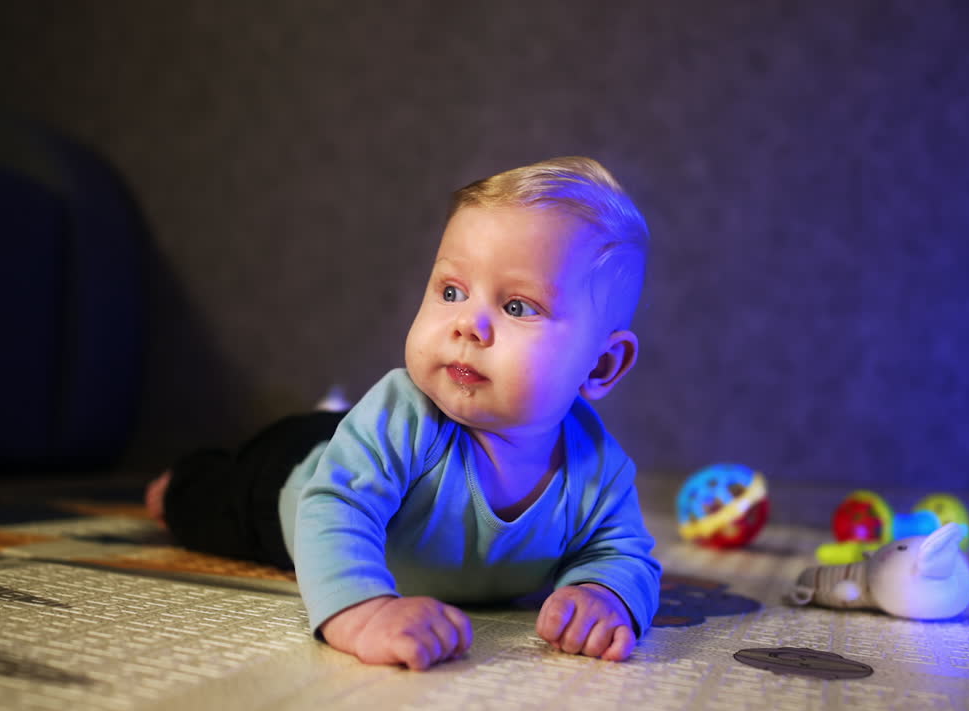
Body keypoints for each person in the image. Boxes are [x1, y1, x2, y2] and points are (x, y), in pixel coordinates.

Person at [146, 156, 661, 671]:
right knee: (210, 502)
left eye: (517, 307)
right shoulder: (406, 415)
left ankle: (333, 416)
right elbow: (335, 509)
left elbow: (623, 555)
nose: (468, 325)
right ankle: (178, 482)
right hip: (288, 480)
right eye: (452, 291)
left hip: (354, 439)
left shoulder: (598, 467)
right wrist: (365, 614)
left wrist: (604, 595)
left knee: (343, 437)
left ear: (602, 364)